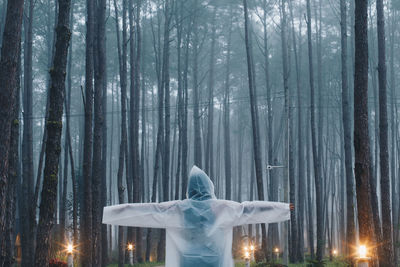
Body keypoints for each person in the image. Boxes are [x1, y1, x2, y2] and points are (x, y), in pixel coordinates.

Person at [103, 166, 292, 267]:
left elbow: (146, 210)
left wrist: (110, 212)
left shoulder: (179, 209)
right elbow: (249, 209)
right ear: (210, 187)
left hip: (188, 262)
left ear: (189, 188)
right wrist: (283, 208)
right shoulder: (221, 208)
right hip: (215, 262)